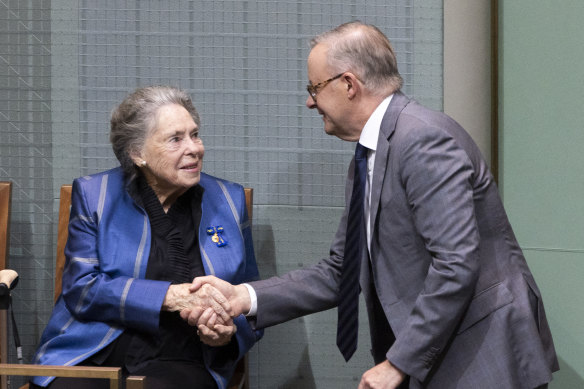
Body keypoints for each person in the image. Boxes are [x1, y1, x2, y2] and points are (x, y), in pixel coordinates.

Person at [185, 21, 559, 388]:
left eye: (314, 87)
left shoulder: (422, 140)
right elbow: (340, 271)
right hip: (443, 350)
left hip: (482, 355)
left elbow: (456, 263)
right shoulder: (368, 155)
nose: (310, 101)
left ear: (349, 84)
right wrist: (242, 296)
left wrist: (398, 363)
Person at [31, 85, 262, 389]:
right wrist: (170, 296)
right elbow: (82, 289)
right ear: (137, 153)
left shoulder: (229, 201)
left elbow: (251, 296)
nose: (194, 148)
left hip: (184, 356)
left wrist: (227, 332)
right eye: (175, 139)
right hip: (95, 349)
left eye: (195, 134)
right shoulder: (95, 195)